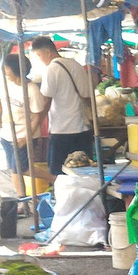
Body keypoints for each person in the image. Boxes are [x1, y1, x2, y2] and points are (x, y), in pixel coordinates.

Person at [30, 36, 92, 177]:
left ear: (48, 52)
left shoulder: (52, 69)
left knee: (59, 171)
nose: (40, 59)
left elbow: (46, 100)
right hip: (83, 127)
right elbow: (87, 95)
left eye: (39, 55)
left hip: (62, 130)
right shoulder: (76, 65)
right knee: (84, 171)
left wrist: (37, 124)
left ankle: (65, 198)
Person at [0, 55, 45, 198]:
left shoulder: (32, 90)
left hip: (24, 134)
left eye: (7, 68)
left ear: (15, 69)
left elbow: (37, 117)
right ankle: (22, 198)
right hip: (7, 134)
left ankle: (53, 178)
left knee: (22, 168)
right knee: (13, 169)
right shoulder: (5, 84)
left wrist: (26, 138)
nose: (4, 71)